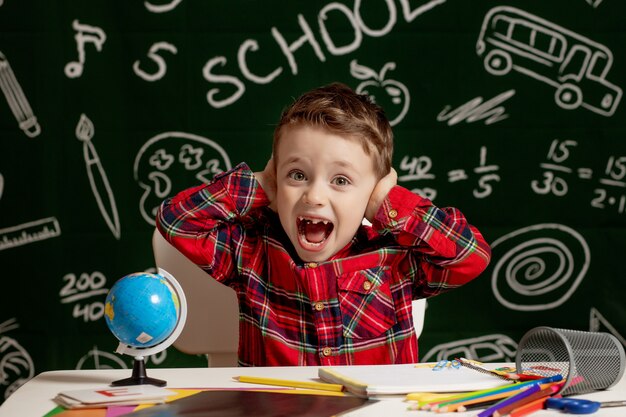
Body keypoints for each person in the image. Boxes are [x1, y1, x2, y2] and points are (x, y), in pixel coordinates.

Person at [156, 82, 491, 366]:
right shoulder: (251, 250)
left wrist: (388, 204)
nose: (313, 195)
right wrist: (259, 185)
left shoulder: (395, 258)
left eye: (341, 180)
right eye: (297, 175)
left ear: (373, 190)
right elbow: (176, 222)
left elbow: (471, 256)